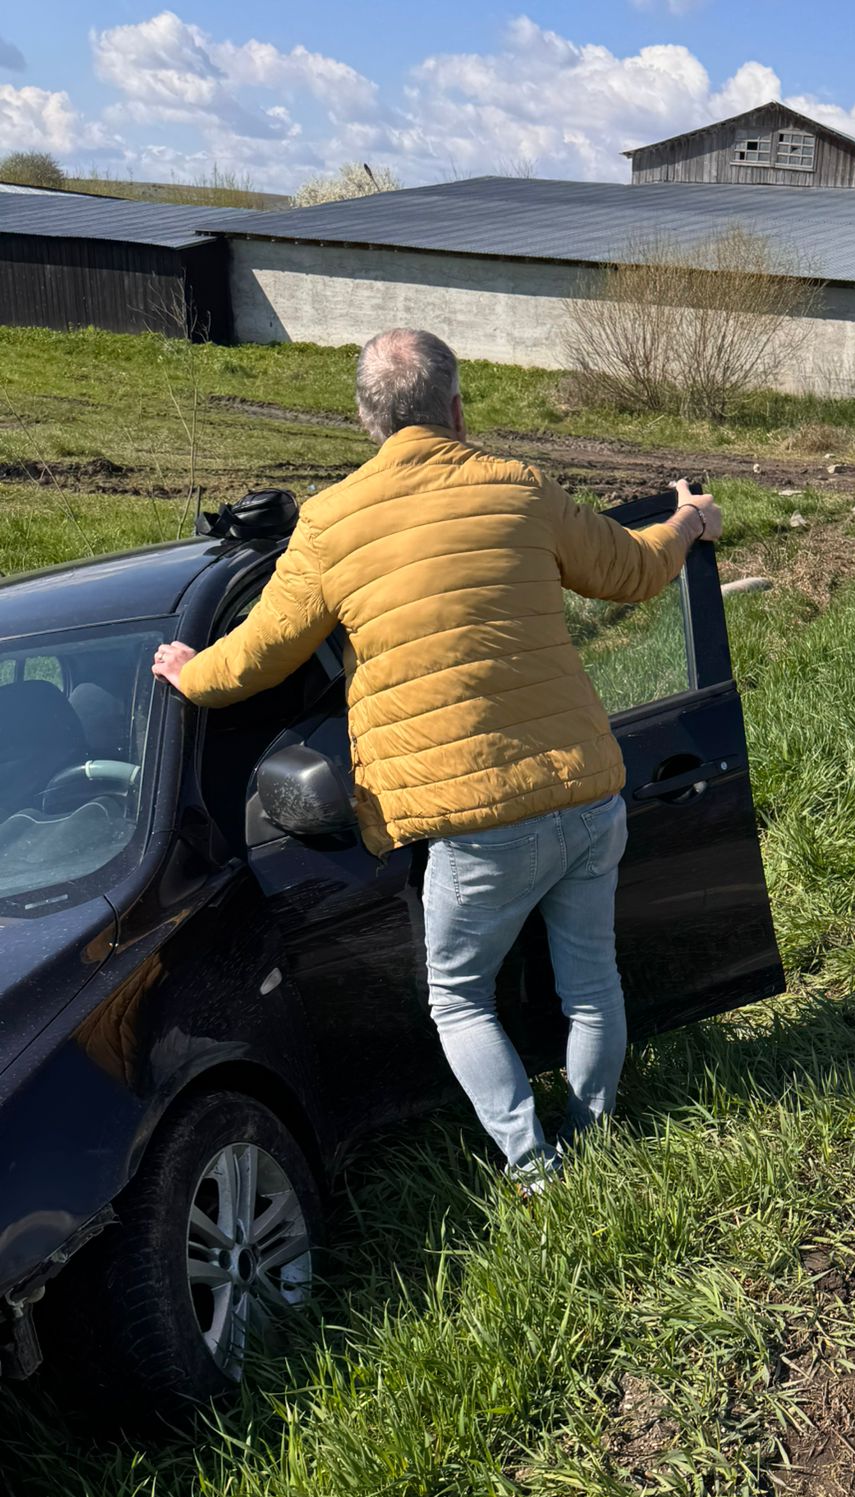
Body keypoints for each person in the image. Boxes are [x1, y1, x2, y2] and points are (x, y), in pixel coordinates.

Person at [152, 328, 721, 1192]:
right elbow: (633, 569)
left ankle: (536, 1170)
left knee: (458, 995)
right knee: (592, 982)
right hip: (585, 789)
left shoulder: (334, 523)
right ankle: (592, 1141)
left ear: (366, 418)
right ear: (456, 410)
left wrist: (192, 678)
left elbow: (261, 651)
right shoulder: (517, 487)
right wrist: (688, 520)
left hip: (473, 822)